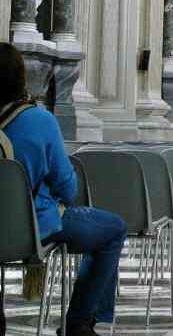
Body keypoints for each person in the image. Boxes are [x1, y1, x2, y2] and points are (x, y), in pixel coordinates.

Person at [0, 43, 127, 336]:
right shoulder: (40, 120)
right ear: (21, 79)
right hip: (35, 227)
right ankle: (79, 322)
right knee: (114, 229)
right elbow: (68, 189)